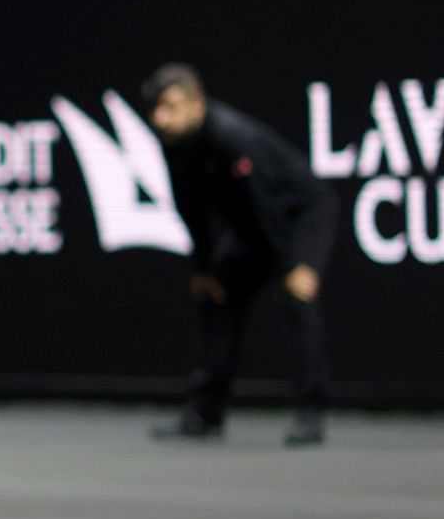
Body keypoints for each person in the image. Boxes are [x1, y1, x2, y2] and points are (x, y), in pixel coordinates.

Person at [143, 64, 336, 447]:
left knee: (297, 302)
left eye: (169, 107)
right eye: (155, 110)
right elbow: (191, 209)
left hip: (298, 221)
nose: (159, 118)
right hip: (253, 230)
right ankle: (204, 416)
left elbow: (268, 208)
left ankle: (310, 417)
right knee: (216, 301)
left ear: (196, 105)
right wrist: (203, 266)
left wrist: (296, 265)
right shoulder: (175, 144)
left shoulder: (233, 138)